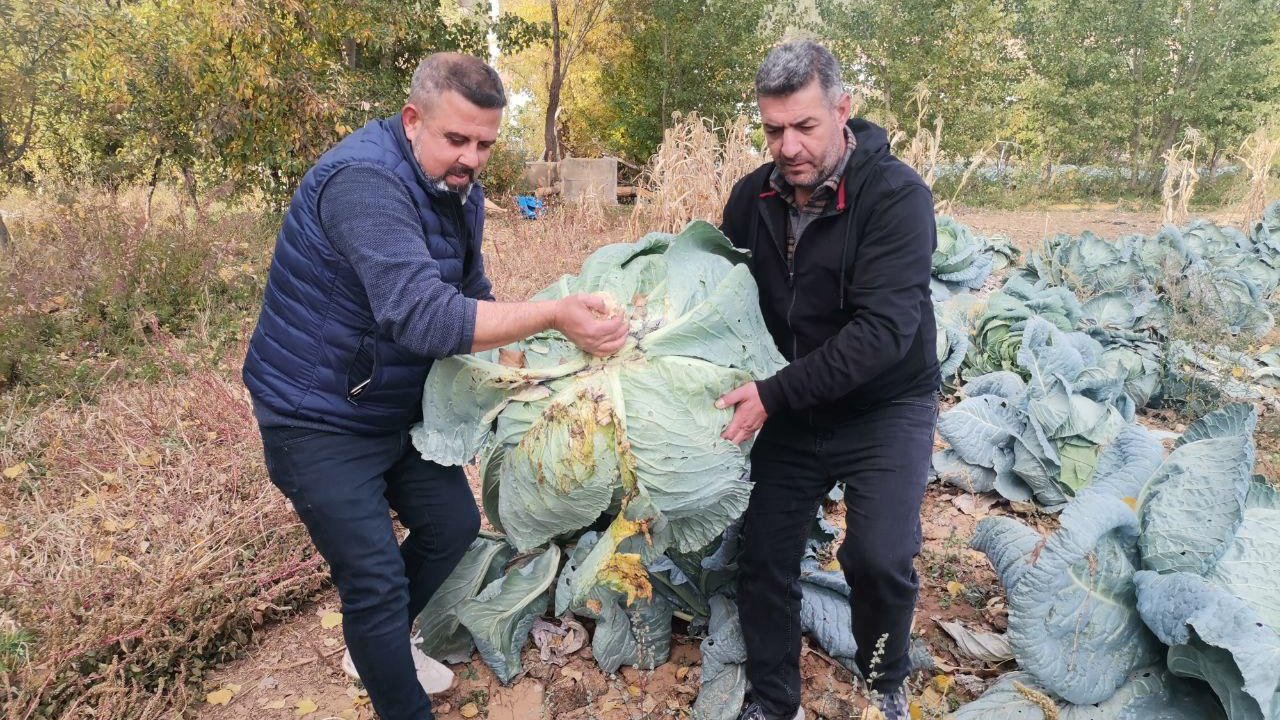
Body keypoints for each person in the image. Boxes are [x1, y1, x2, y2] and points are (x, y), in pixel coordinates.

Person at [241, 52, 628, 720]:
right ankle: (393, 683)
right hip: (317, 417)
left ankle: (380, 645)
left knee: (449, 524)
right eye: (457, 139)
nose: (473, 158)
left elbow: (467, 287)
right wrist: (553, 314)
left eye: (484, 143)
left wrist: (523, 358)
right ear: (413, 119)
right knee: (373, 580)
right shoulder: (362, 181)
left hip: (390, 408)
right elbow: (420, 313)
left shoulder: (455, 185)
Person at [716, 40, 940, 720]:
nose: (787, 147)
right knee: (764, 556)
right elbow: (722, 294)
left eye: (804, 126)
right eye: (773, 129)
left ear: (842, 110)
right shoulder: (752, 198)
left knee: (879, 556)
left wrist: (772, 394)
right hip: (792, 406)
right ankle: (773, 699)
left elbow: (882, 333)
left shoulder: (897, 197)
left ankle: (883, 678)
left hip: (884, 404)